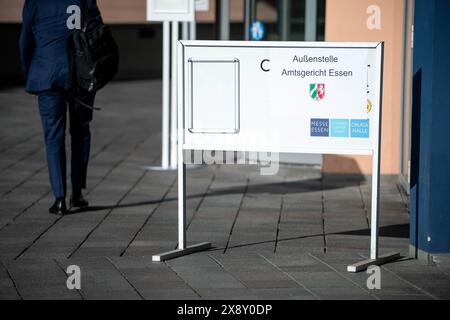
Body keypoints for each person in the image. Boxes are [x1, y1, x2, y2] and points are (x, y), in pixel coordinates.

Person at [19, 0, 102, 215]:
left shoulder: (34, 3)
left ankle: (59, 198)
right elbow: (98, 33)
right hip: (79, 76)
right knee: (81, 132)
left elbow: (25, 42)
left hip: (46, 75)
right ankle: (77, 193)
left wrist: (31, 73)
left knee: (53, 137)